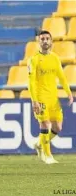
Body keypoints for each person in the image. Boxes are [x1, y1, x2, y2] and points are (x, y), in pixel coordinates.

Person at [28, 30, 73, 164]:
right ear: (38, 41)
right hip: (41, 97)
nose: (45, 41)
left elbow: (62, 77)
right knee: (45, 124)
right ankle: (47, 155)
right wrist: (34, 100)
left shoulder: (55, 58)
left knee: (57, 127)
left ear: (51, 41)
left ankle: (39, 143)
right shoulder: (34, 59)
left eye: (47, 38)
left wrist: (69, 92)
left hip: (53, 97)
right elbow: (31, 82)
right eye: (42, 39)